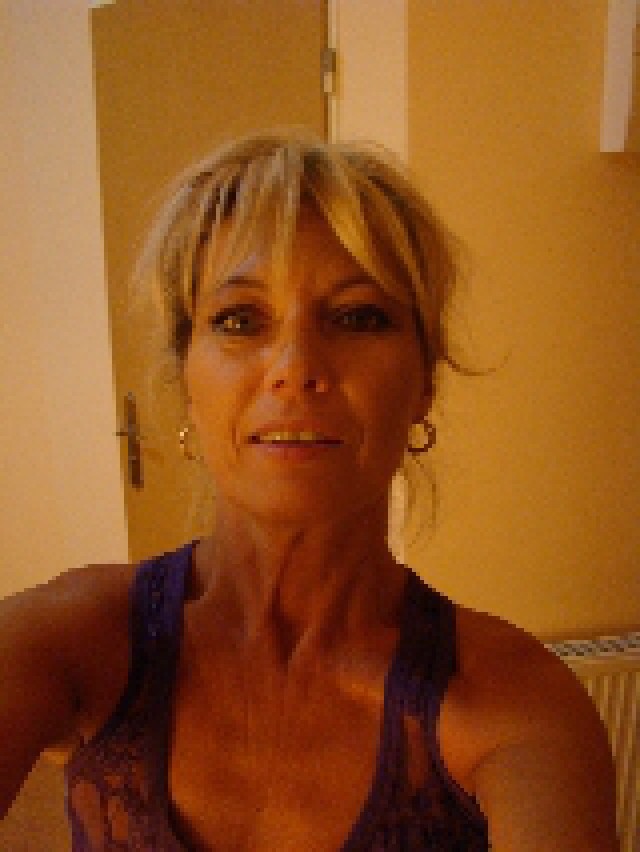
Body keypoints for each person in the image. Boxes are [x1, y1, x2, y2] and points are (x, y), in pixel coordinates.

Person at [1, 130, 617, 851]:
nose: (294, 366)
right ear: (187, 380)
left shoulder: (516, 704)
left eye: (357, 317)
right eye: (239, 320)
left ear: (423, 383)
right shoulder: (68, 639)